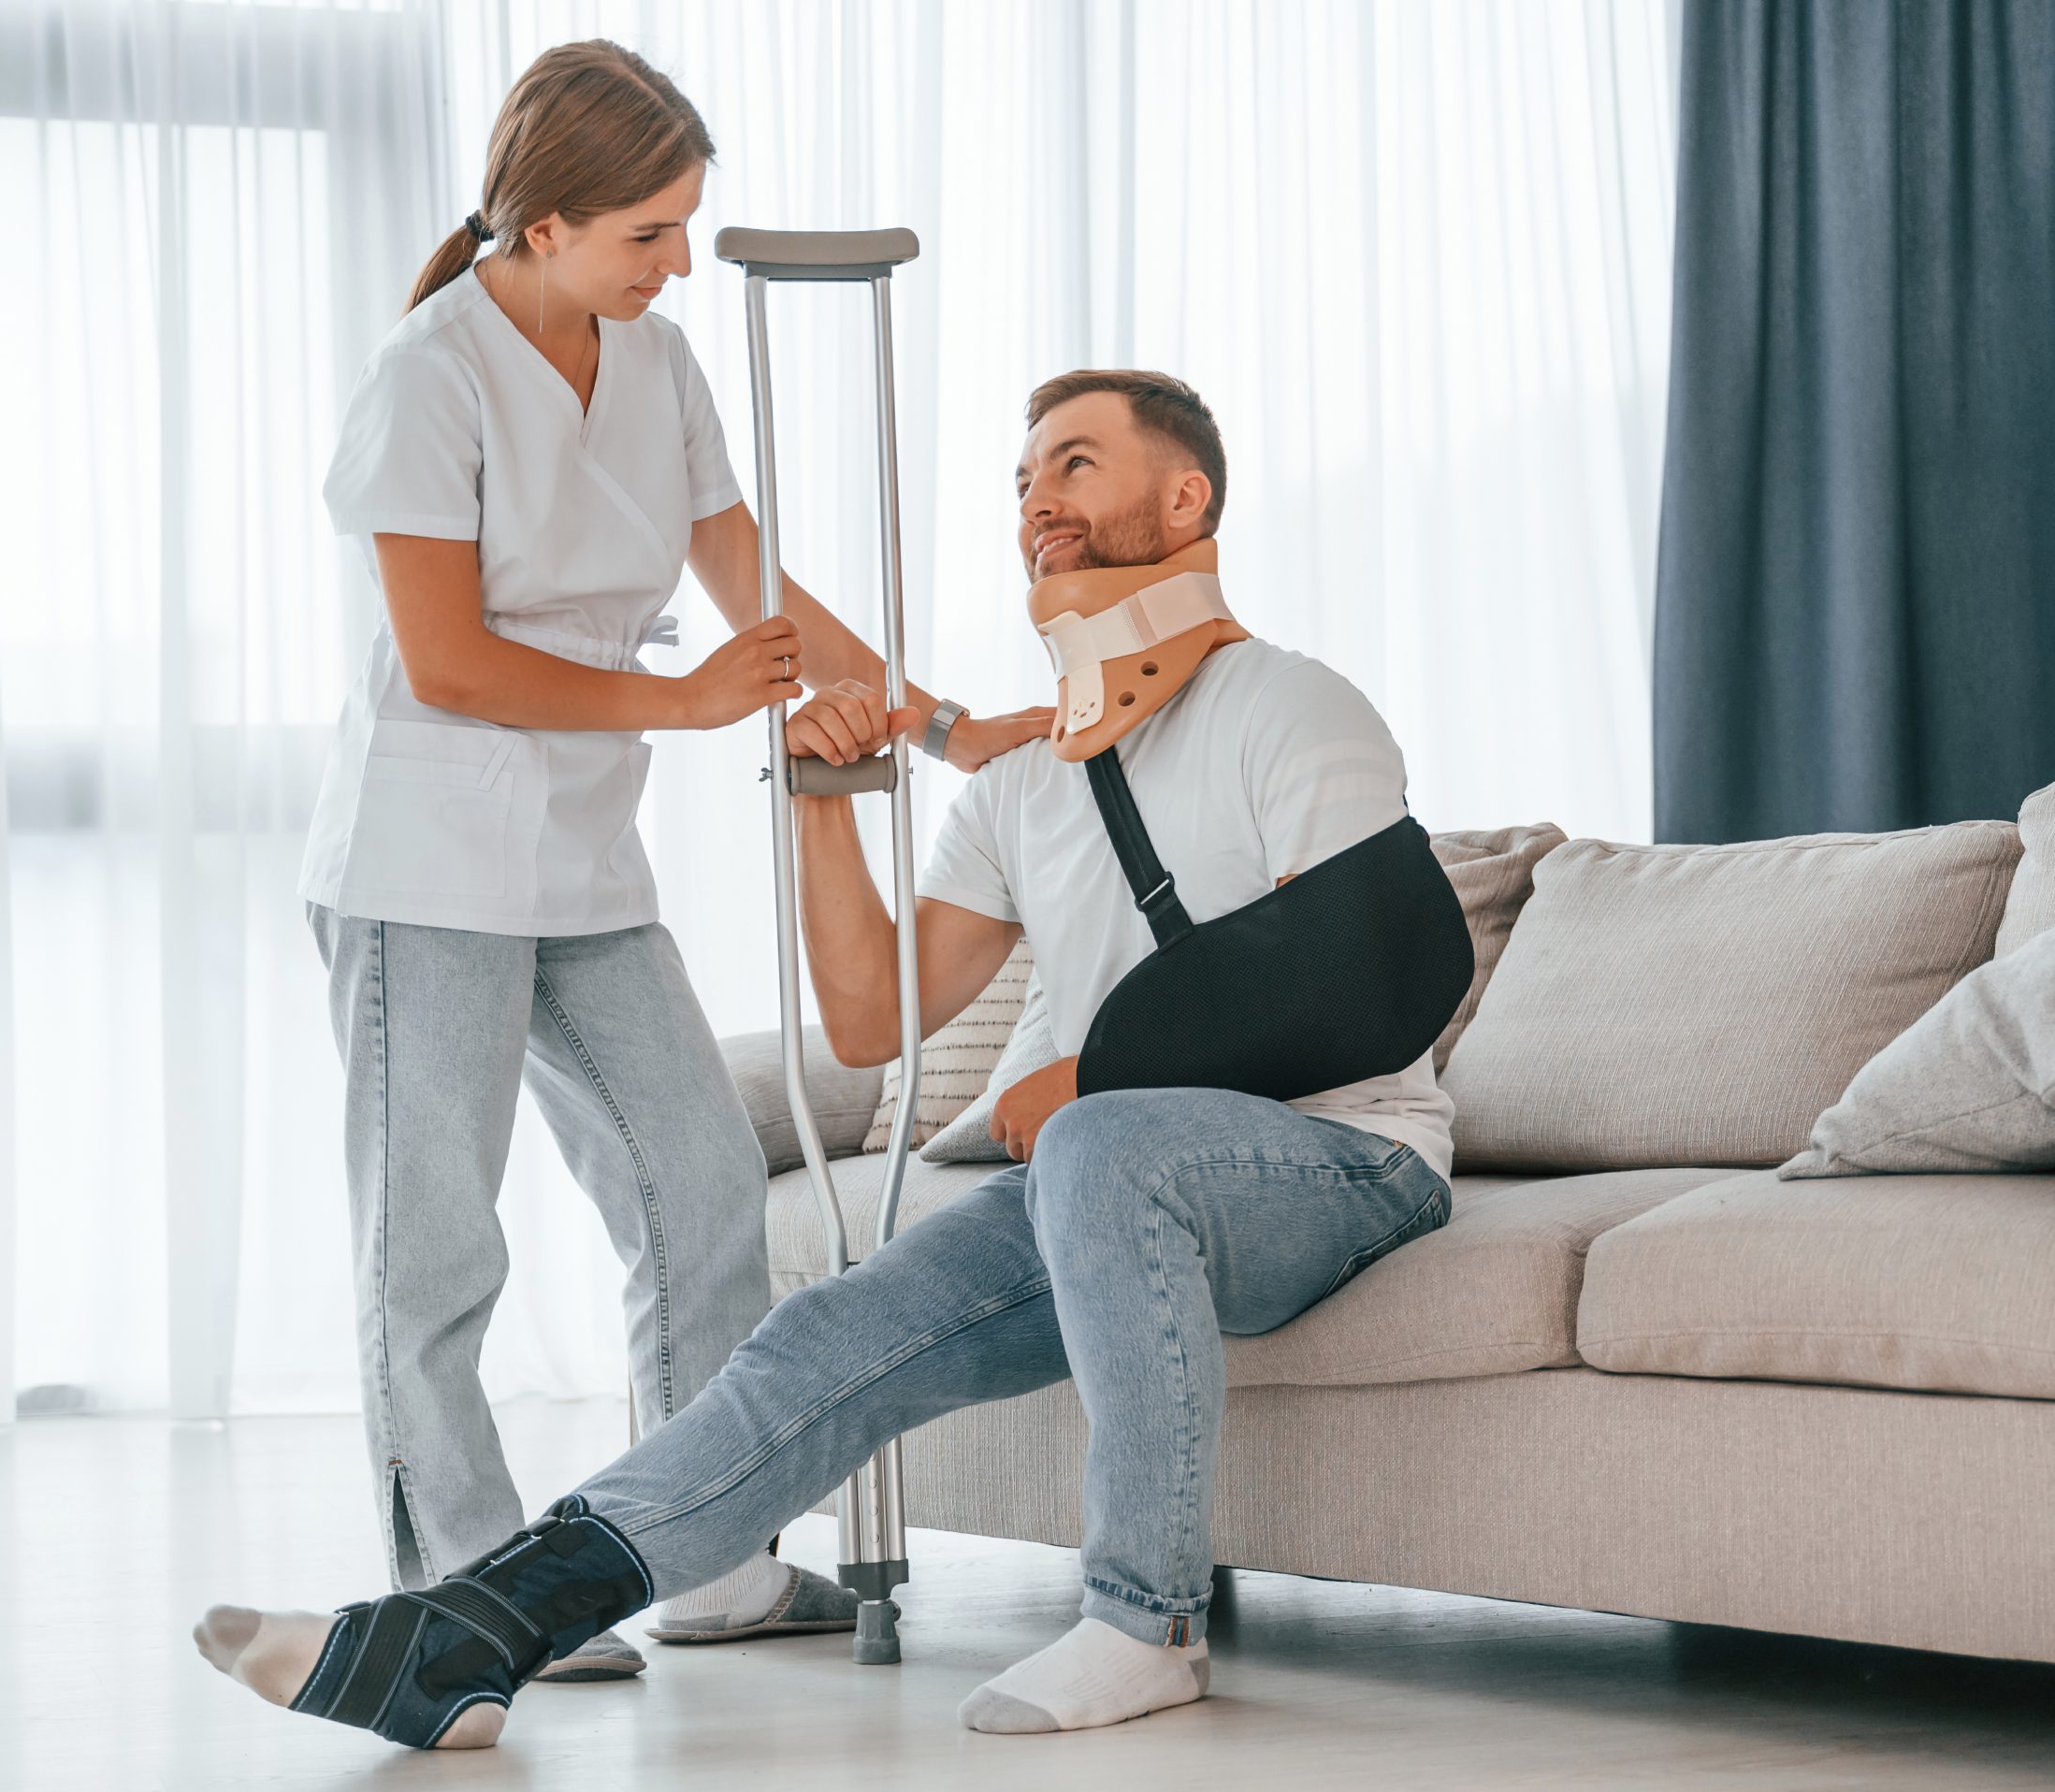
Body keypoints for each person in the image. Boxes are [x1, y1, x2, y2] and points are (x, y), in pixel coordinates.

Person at [210, 369, 1454, 1744]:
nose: (1039, 498)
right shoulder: (1025, 783)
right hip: (1110, 1188)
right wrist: (824, 799)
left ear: (1186, 499)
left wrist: (1098, 1083)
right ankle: (469, 1634)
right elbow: (873, 1020)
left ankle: (1142, 1621)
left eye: (1078, 466)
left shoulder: (1291, 705)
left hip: (1345, 1162)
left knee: (1098, 1141)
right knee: (826, 1331)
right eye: (1024, 477)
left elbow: (1381, 975)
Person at [300, 38, 1047, 1682]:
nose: (677, 261)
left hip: (580, 866)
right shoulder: (429, 373)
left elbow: (758, 589)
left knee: (701, 1188)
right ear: (544, 221)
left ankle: (700, 1563)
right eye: (649, 231)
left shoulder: (659, 360)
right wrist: (683, 699)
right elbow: (447, 663)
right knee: (436, 1248)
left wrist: (938, 727)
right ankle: (475, 1591)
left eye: (685, 225)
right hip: (425, 861)